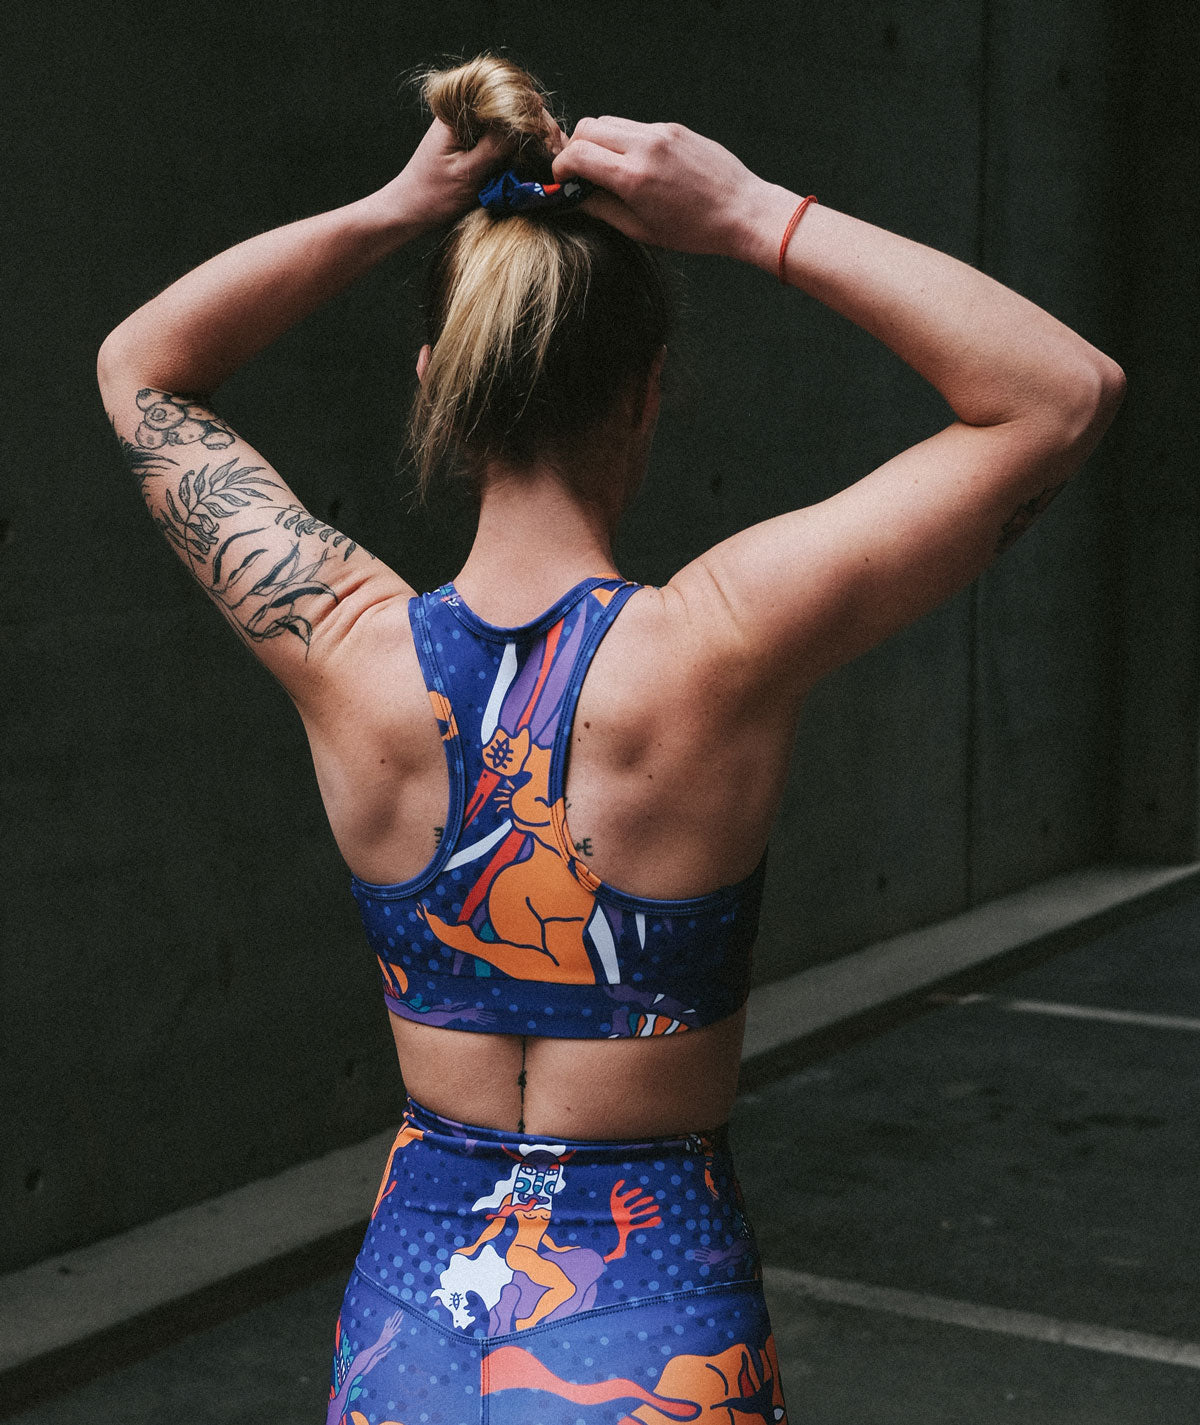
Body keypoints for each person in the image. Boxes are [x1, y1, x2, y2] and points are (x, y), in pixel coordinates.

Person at [97, 53, 1123, 1425]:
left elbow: (141, 368)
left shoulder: (342, 645)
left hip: (412, 1319)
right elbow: (1063, 392)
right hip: (652, 1308)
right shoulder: (722, 644)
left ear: (436, 387)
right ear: (647, 394)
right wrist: (751, 213)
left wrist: (400, 206)